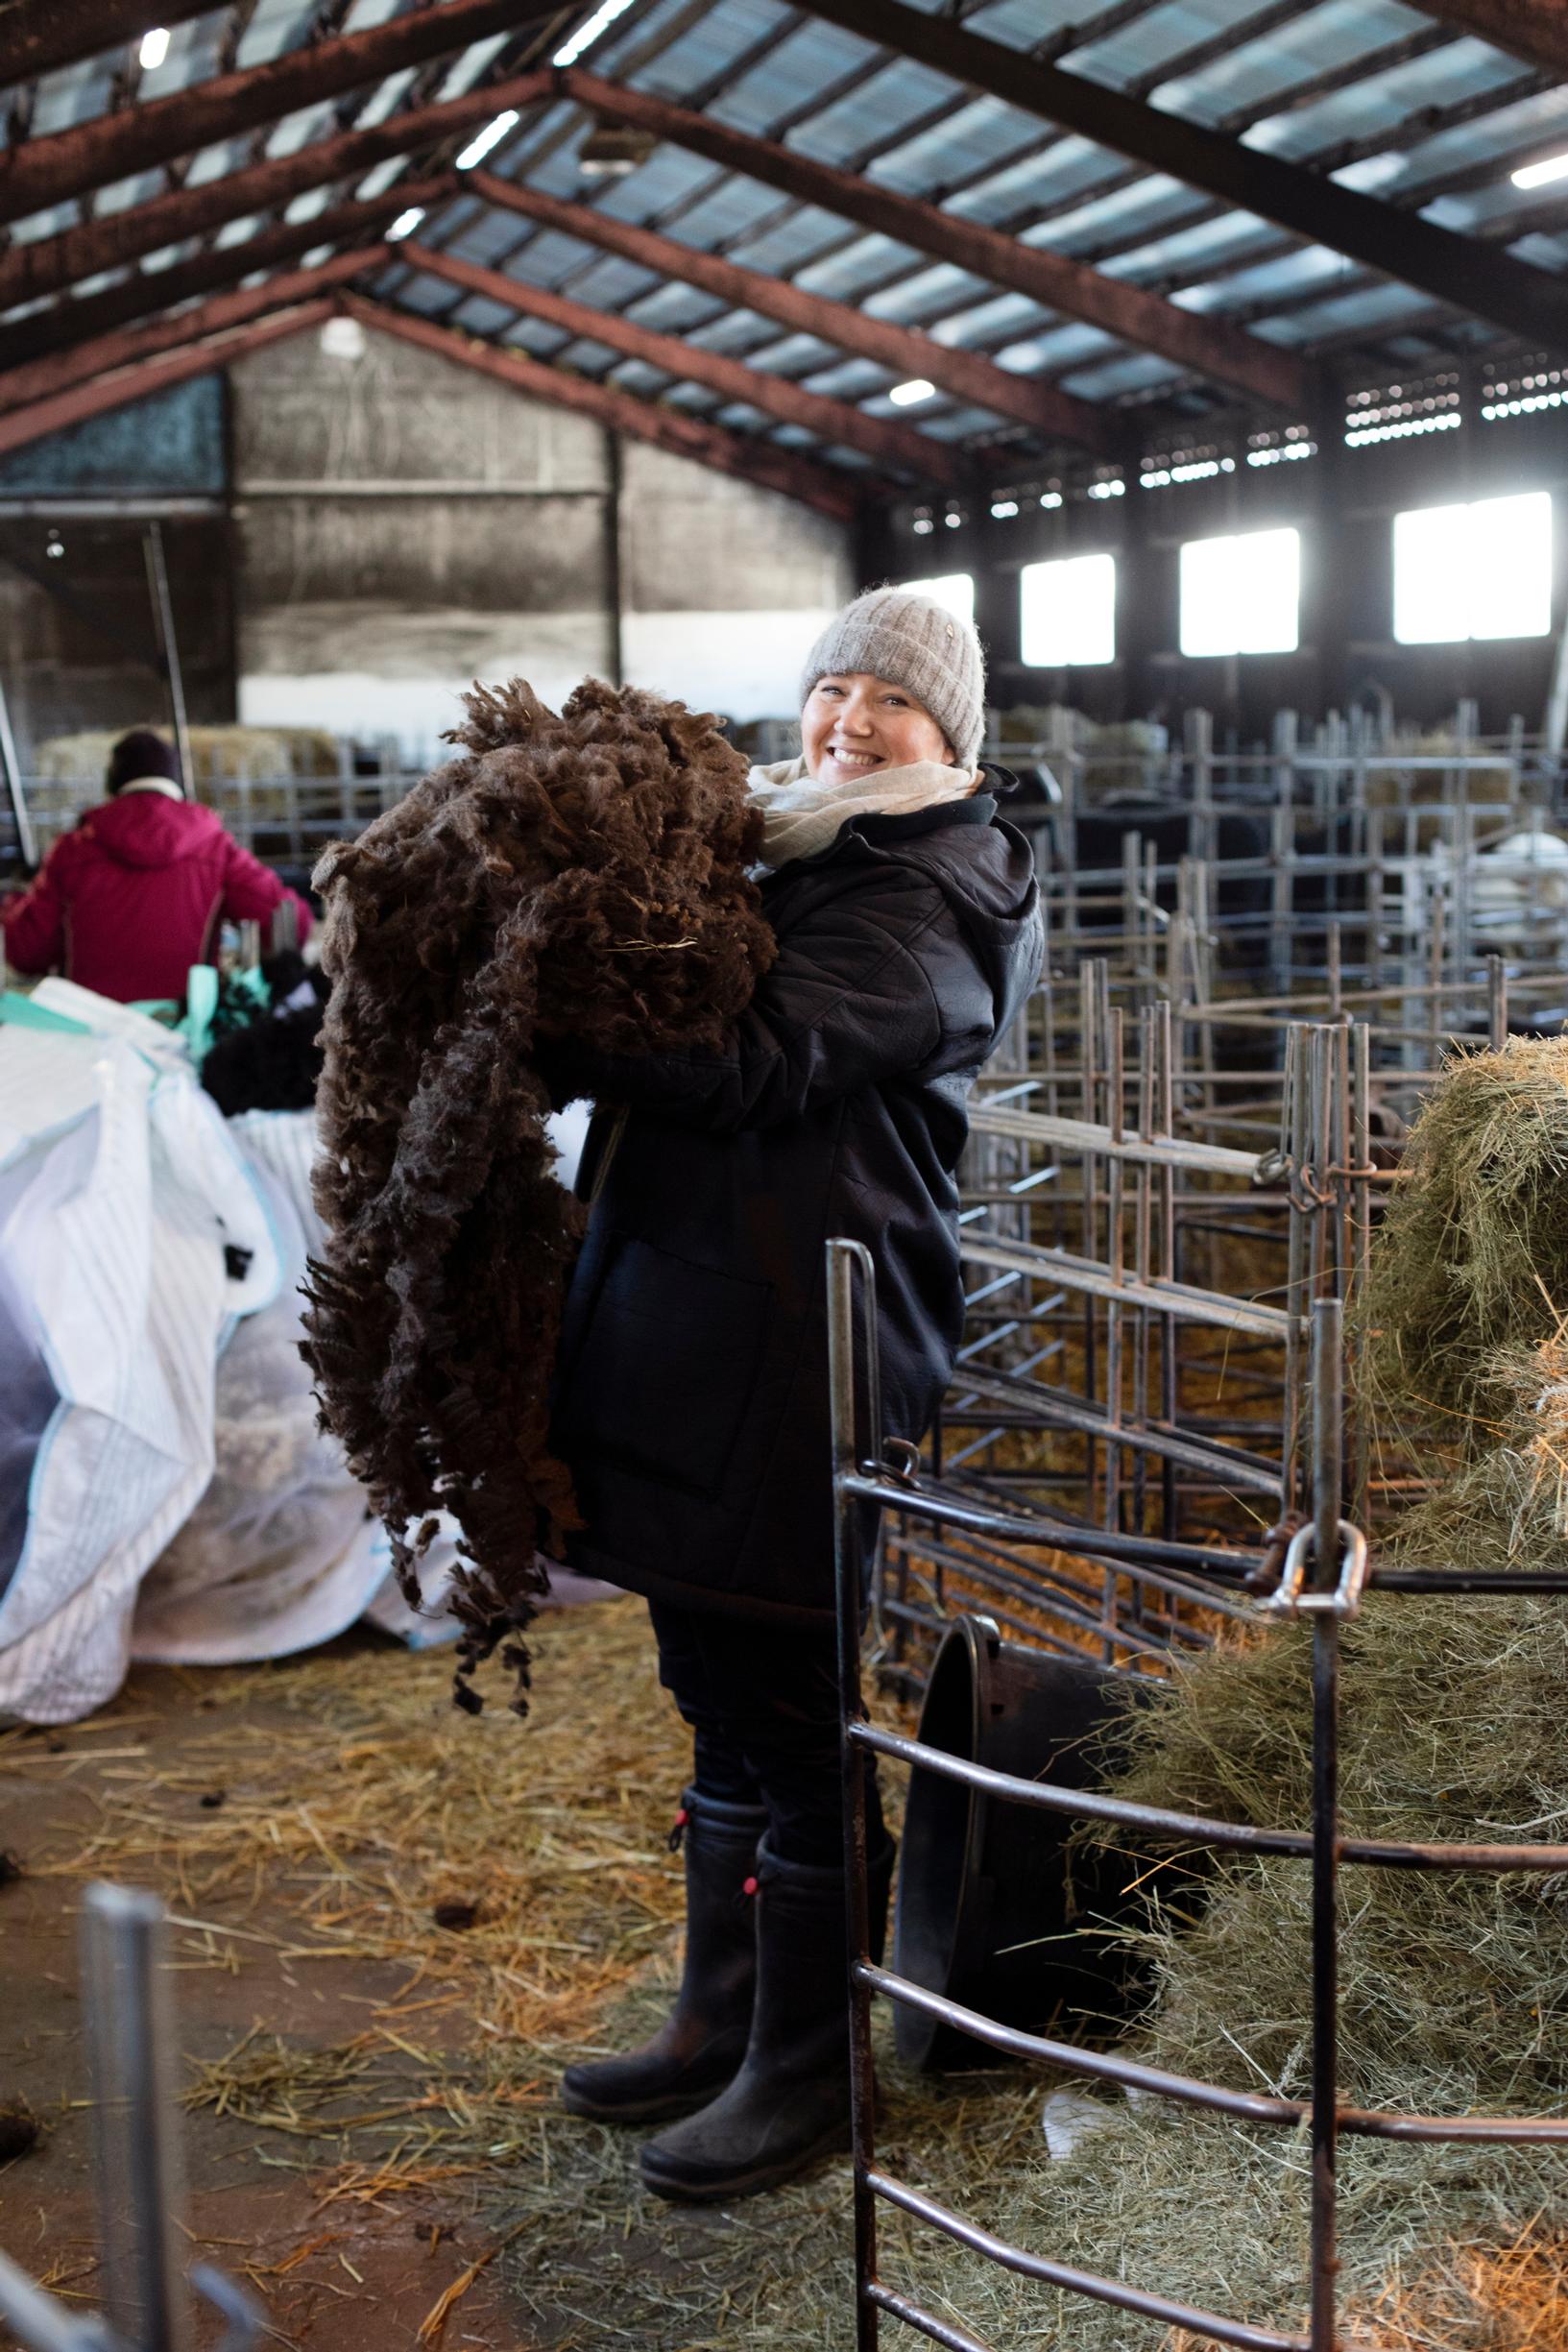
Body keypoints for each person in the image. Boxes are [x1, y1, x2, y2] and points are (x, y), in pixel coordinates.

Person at [543, 586, 1045, 2202]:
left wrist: (550, 1007)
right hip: (716, 1329)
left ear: (945, 736)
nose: (846, 718)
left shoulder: (930, 885)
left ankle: (805, 2061)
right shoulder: (805, 842)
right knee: (714, 1674)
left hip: (812, 1337)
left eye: (884, 700)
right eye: (831, 686)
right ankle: (719, 2011)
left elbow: (757, 1061)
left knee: (787, 1686)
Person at [0, 729, 312, 1004]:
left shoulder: (72, 850)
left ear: (113, 786)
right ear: (176, 782)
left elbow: (27, 953)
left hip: (90, 1028)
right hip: (185, 1025)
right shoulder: (215, 847)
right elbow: (289, 924)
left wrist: (15, 903)